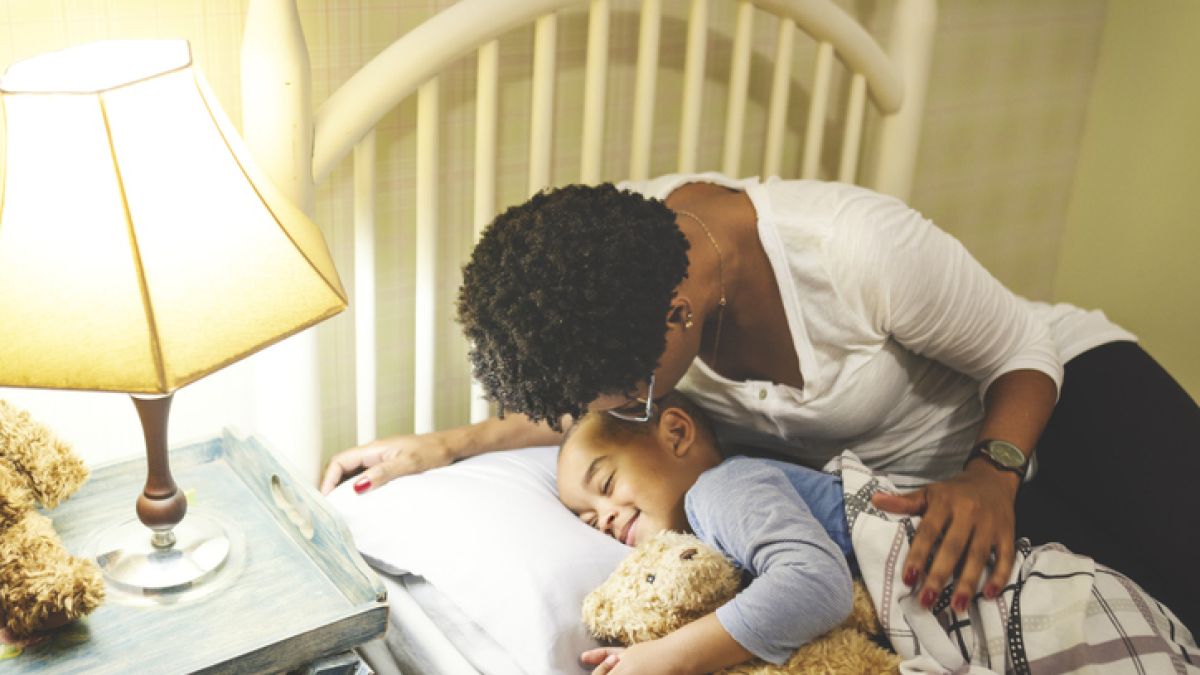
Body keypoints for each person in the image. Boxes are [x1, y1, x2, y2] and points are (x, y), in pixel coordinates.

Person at [321, 173, 1200, 631]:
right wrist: (447, 444)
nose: (627, 409)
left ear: (678, 316)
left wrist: (992, 475)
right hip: (925, 492)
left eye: (633, 393)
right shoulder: (610, 282)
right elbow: (583, 403)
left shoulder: (853, 249)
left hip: (1056, 402)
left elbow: (1023, 348)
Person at [557, 391, 856, 674]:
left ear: (676, 434)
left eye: (607, 484)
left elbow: (816, 581)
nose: (604, 520)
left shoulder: (721, 487)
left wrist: (670, 656)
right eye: (591, 521)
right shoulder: (700, 555)